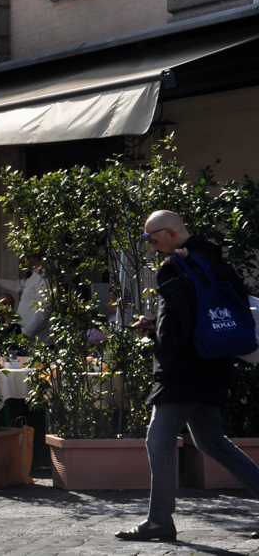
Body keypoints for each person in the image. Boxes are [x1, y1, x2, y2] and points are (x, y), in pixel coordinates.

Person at [115, 210, 259, 542]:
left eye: (152, 240)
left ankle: (159, 521)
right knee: (212, 442)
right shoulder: (215, 263)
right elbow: (198, 318)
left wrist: (158, 336)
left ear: (170, 233)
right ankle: (160, 520)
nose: (151, 248)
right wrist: (157, 326)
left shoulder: (176, 267)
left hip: (182, 372)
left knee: (158, 439)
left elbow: (179, 332)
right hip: (213, 364)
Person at [0, 257, 49, 341]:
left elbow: (45, 309)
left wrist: (26, 334)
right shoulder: (35, 275)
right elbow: (19, 285)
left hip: (36, 339)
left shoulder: (44, 277)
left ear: (33, 258)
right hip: (25, 336)